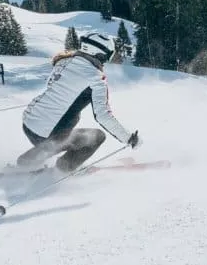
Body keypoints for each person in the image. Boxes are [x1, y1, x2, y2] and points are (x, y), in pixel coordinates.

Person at [15, 31, 140, 172]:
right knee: (96, 137)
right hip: (48, 135)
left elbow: (53, 88)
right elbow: (102, 116)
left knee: (63, 133)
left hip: (28, 123)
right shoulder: (96, 79)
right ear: (100, 54)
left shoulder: (63, 62)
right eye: (109, 56)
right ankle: (64, 168)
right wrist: (128, 138)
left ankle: (27, 161)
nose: (107, 61)